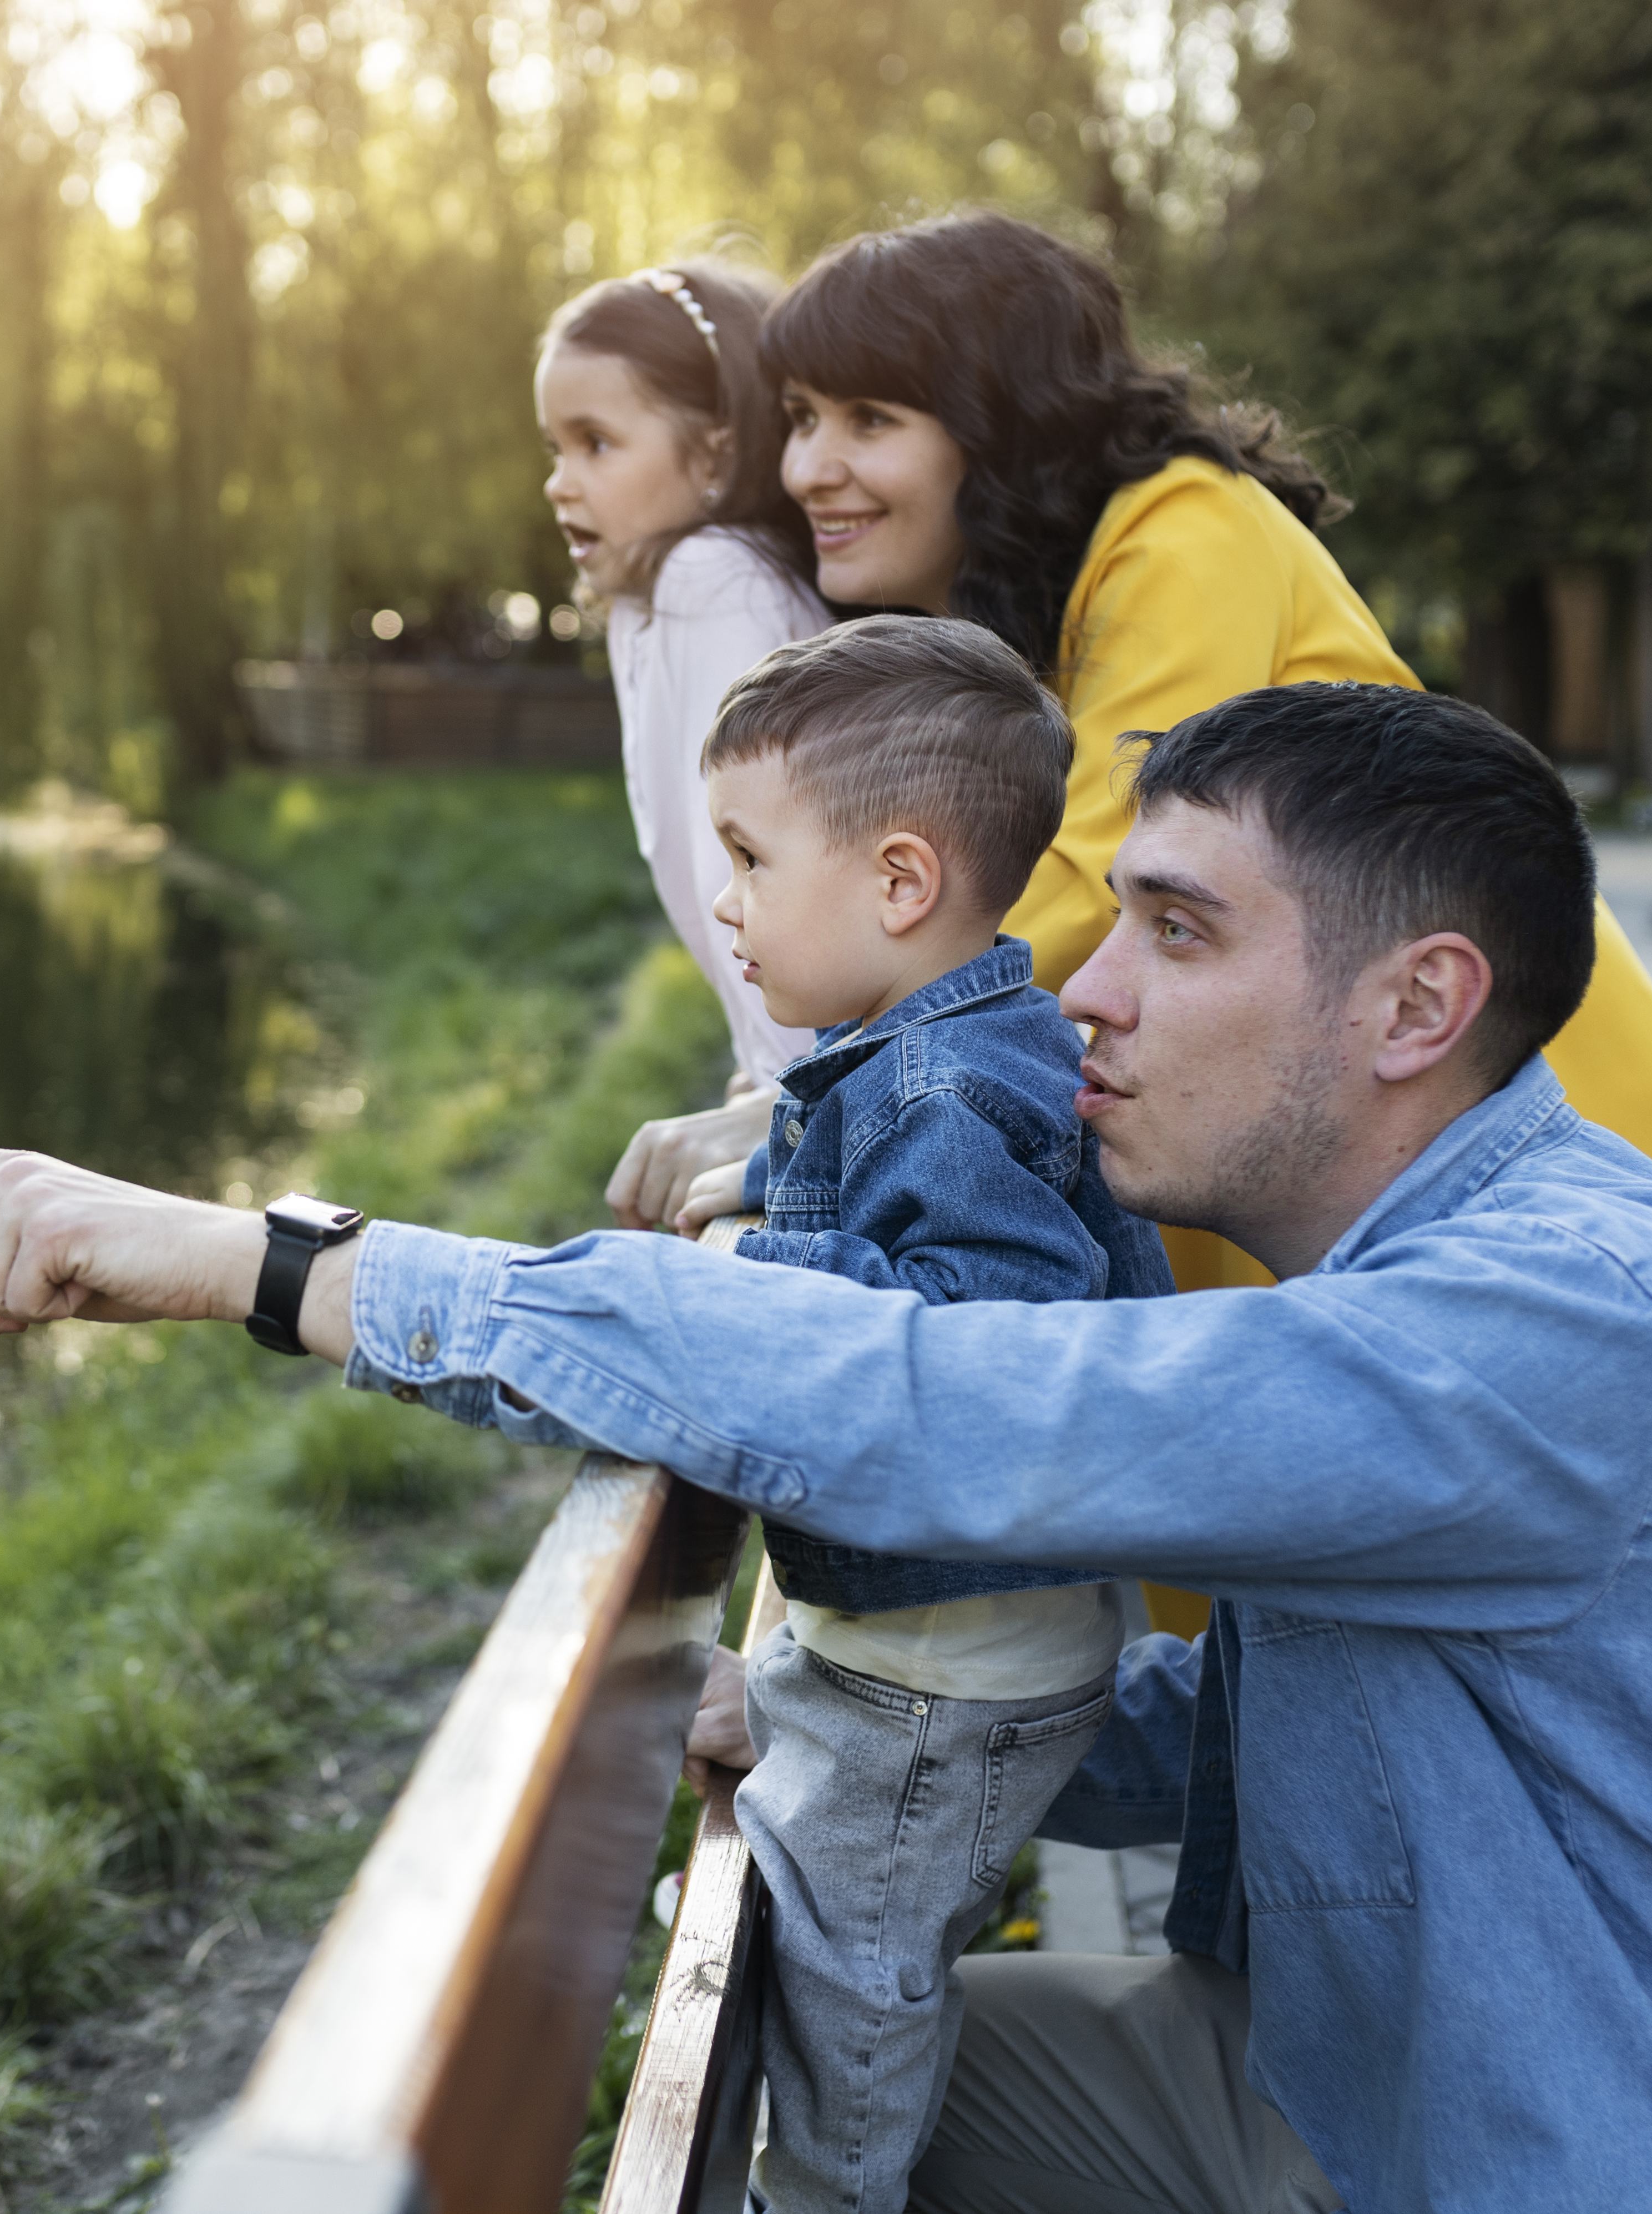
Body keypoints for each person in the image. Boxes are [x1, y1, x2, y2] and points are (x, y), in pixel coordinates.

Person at [0, 683, 1652, 2212]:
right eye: (1102, 914)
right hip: (1353, 2096)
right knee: (782, 2061)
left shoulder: (1569, 1325)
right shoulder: (1415, 1295)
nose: (1082, 1001)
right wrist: (824, 1697)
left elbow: (942, 1402)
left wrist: (261, 1260)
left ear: (1412, 1008)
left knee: (815, 2101)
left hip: (1644, 2163)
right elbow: (1283, 1719)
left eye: (1172, 930)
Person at [602, 212, 1652, 1282]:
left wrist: (836, 1087)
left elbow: (1087, 876)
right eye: (800, 418)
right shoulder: (1024, 612)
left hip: (1499, 1113)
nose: (808, 468)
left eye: (870, 421)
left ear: (997, 428)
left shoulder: (1183, 533)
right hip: (1343, 1116)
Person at [684, 616, 1174, 2213]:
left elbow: (991, 1340)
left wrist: (756, 1255)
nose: (725, 899)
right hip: (925, 1660)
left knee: (851, 1995)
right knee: (831, 1946)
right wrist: (761, 1183)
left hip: (942, 1682)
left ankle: (820, 2199)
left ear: (899, 884)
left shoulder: (948, 1088)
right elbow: (880, 1206)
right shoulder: (944, 1050)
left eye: (751, 857)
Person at [538, 259, 831, 1096]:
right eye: (555, 447)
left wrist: (790, 1085)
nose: (560, 482)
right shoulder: (653, 595)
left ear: (716, 452)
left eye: (596, 443)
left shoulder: (712, 579)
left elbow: (764, 871)